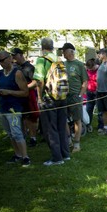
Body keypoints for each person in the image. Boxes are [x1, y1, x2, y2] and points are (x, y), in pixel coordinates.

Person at [33, 38, 70, 166]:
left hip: (49, 97)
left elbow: (39, 81)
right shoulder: (58, 59)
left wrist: (39, 97)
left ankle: (56, 158)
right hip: (62, 96)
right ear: (52, 47)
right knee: (61, 126)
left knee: (50, 128)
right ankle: (65, 154)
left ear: (42, 47)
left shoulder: (42, 60)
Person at [0, 50, 30, 167]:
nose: (1, 63)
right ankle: (17, 155)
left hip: (14, 109)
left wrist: (8, 92)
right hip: (3, 108)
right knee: (10, 134)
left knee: (17, 133)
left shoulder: (17, 73)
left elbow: (25, 92)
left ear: (9, 58)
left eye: (2, 60)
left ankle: (25, 157)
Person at [61, 43, 88, 152]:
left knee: (77, 120)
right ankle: (68, 141)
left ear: (71, 52)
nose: (63, 53)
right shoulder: (62, 64)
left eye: (64, 51)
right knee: (64, 120)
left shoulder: (79, 65)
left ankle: (77, 144)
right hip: (64, 96)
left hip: (75, 96)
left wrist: (80, 95)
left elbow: (85, 81)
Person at [11, 47, 39, 147]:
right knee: (20, 117)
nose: (14, 58)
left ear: (21, 55)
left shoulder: (29, 67)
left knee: (30, 118)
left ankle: (33, 138)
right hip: (18, 96)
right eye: (12, 56)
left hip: (28, 96)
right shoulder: (14, 67)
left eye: (15, 56)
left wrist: (25, 88)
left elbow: (35, 82)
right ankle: (23, 136)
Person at [85, 58, 103, 133]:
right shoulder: (87, 70)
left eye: (91, 68)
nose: (90, 70)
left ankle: (101, 126)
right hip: (89, 92)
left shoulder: (100, 70)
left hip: (98, 92)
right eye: (89, 68)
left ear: (95, 65)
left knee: (100, 110)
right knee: (89, 109)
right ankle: (88, 124)